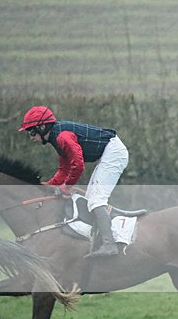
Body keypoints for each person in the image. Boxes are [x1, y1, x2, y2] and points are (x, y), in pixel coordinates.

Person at [19, 106, 129, 258]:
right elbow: (64, 169)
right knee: (91, 200)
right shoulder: (56, 138)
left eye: (31, 132)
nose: (31, 137)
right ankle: (100, 240)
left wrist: (66, 187)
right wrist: (49, 185)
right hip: (108, 154)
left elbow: (78, 165)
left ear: (42, 127)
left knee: (96, 201)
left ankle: (109, 245)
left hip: (114, 153)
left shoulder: (63, 137)